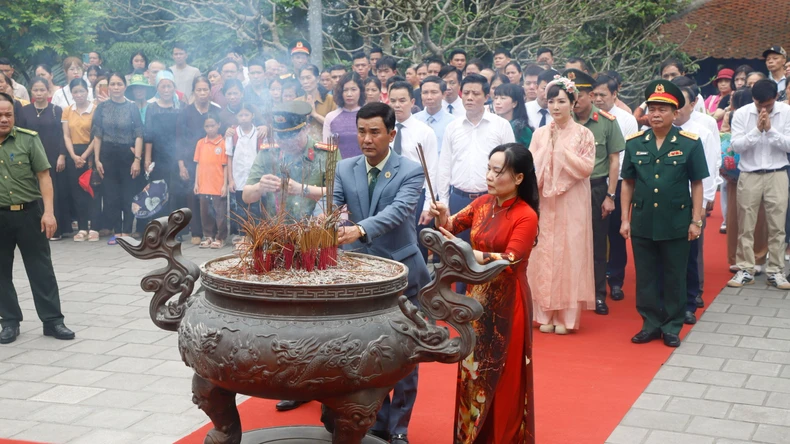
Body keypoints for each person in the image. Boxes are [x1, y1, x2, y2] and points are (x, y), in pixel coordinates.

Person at [327, 102, 428, 444]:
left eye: (374, 132)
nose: (366, 139)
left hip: (401, 273)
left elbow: (399, 212)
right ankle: (369, 416)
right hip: (359, 276)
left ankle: (398, 426)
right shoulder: (345, 168)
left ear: (391, 134)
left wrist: (359, 230)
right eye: (361, 131)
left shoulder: (410, 171)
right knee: (363, 350)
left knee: (403, 352)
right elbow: (333, 204)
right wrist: (337, 222)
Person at [430, 142, 538, 443]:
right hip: (476, 300)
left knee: (503, 374)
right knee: (472, 371)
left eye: (497, 171)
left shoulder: (526, 215)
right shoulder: (482, 204)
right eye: (488, 169)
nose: (490, 176)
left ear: (518, 178)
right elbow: (451, 225)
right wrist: (442, 215)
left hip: (508, 300)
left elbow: (510, 260)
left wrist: (468, 251)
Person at [620, 80, 709, 348]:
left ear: (674, 113)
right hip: (644, 220)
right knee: (646, 275)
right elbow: (628, 182)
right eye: (652, 109)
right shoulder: (635, 143)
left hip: (676, 221)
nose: (656, 114)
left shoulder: (689, 143)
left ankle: (671, 326)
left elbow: (697, 183)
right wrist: (626, 218)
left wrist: (696, 220)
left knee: (674, 275)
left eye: (662, 109)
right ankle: (650, 323)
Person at [0, 92, 75, 344]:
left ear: (14, 115)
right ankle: (9, 321)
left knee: (41, 269)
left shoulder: (28, 140)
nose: (4, 119)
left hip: (29, 214)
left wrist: (49, 212)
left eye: (8, 114)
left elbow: (44, 177)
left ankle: (53, 321)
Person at [527, 76, 595, 334]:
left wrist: (560, 150)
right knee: (544, 252)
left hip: (572, 200)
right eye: (552, 101)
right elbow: (531, 168)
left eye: (562, 101)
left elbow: (586, 168)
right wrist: (548, 149)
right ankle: (545, 314)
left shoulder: (584, 134)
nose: (556, 107)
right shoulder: (540, 133)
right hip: (545, 199)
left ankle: (566, 318)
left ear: (573, 102)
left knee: (569, 252)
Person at [437, 73, 515, 295]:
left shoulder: (501, 126)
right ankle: (462, 304)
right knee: (460, 255)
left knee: (490, 255)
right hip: (460, 198)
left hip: (493, 199)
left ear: (487, 96)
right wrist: (444, 202)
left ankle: (490, 302)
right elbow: (445, 166)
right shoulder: (453, 127)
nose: (469, 98)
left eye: (476, 93)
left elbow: (512, 164)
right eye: (466, 93)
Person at [565, 68, 625, 315]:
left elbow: (613, 161)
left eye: (579, 94)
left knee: (598, 244)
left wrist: (611, 196)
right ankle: (570, 294)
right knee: (568, 243)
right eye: (571, 94)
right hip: (568, 190)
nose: (575, 99)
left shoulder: (606, 122)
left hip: (596, 188)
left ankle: (598, 294)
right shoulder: (562, 122)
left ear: (590, 95)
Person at [728, 79, 790, 289]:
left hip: (777, 172)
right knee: (746, 224)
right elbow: (736, 146)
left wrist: (771, 131)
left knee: (777, 224)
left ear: (776, 98)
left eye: (768, 105)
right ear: (752, 98)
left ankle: (776, 270)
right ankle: (746, 268)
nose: (763, 109)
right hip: (749, 173)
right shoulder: (742, 113)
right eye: (759, 104)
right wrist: (756, 131)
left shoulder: (786, 112)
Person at [672, 83, 722, 324]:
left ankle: (691, 300)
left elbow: (710, 170)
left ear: (692, 105)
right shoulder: (659, 130)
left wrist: (703, 205)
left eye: (681, 102)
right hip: (666, 202)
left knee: (690, 254)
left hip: (692, 201)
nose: (676, 108)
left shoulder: (701, 133)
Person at [592, 73, 639, 301]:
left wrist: (618, 188)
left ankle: (616, 279)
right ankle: (595, 278)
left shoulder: (626, 119)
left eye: (603, 94)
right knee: (595, 233)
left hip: (619, 183)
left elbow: (625, 157)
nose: (598, 99)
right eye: (595, 95)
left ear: (614, 94)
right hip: (594, 183)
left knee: (616, 232)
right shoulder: (587, 117)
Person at [389, 81, 439, 261]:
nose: (397, 105)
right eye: (393, 100)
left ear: (412, 102)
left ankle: (418, 288)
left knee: (416, 246)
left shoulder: (425, 132)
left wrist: (428, 206)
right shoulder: (384, 130)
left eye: (402, 100)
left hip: (415, 196)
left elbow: (431, 170)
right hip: (387, 194)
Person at [92, 72, 145, 245]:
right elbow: (97, 135)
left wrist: (137, 159)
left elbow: (138, 135)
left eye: (119, 84)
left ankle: (127, 230)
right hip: (107, 154)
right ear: (108, 86)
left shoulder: (131, 107)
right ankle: (117, 230)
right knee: (111, 195)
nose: (115, 87)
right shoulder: (101, 108)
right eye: (112, 84)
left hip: (126, 154)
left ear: (124, 86)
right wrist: (97, 159)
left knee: (128, 193)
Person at [721, 88, 768, 273]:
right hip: (748, 171)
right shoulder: (739, 116)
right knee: (756, 216)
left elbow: (725, 137)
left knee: (737, 215)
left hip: (737, 171)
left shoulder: (734, 115)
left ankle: (737, 257)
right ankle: (756, 256)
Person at [19, 77, 70, 241]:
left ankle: (56, 230)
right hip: (30, 156)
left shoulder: (56, 110)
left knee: (52, 192)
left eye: (42, 90)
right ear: (30, 91)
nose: (39, 93)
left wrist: (62, 155)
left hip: (52, 157)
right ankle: (36, 229)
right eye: (35, 90)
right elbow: (20, 134)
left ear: (48, 91)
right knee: (33, 193)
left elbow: (64, 134)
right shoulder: (24, 111)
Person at [176, 76, 219, 244]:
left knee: (212, 196)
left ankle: (212, 231)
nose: (202, 93)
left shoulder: (215, 110)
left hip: (213, 161)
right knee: (192, 195)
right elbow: (179, 140)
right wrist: (181, 165)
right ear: (193, 91)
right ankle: (196, 231)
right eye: (199, 90)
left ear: (210, 91)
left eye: (205, 89)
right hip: (190, 160)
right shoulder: (185, 112)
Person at [61, 78, 100, 242]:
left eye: (81, 91)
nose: (79, 95)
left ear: (87, 92)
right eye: (75, 92)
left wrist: (84, 156)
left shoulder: (95, 109)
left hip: (91, 152)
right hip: (73, 154)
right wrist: (73, 156)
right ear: (72, 94)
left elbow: (97, 135)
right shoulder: (68, 110)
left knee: (93, 191)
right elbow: (66, 135)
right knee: (77, 192)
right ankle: (83, 227)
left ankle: (95, 227)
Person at [143, 70, 183, 223]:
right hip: (158, 156)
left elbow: (183, 134)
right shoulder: (152, 108)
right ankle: (160, 224)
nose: (166, 90)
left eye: (169, 86)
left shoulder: (180, 106)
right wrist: (147, 159)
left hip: (177, 154)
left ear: (174, 87)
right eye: (163, 86)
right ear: (157, 88)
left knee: (176, 190)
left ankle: (176, 227)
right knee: (159, 190)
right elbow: (148, 135)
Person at [192, 113, 228, 249]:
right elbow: (198, 164)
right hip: (203, 184)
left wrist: (225, 184)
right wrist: (196, 183)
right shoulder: (200, 143)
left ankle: (220, 237)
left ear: (218, 125)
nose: (210, 128)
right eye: (207, 126)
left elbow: (225, 166)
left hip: (218, 184)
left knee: (220, 212)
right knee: (205, 212)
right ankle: (208, 236)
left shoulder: (223, 143)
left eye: (213, 125)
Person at [323, 73, 365, 159]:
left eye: (353, 89)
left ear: (360, 91)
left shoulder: (368, 115)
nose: (349, 94)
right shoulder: (331, 117)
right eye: (345, 90)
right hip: (338, 168)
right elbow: (327, 148)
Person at [414, 76, 457, 155]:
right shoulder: (414, 120)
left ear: (444, 95)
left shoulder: (453, 123)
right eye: (425, 93)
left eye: (434, 92)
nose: (429, 97)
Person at [297, 64, 337, 141]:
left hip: (325, 147)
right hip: (303, 148)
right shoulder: (297, 103)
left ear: (318, 79)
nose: (305, 82)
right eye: (302, 79)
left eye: (308, 78)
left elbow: (335, 126)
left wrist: (315, 114)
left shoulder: (331, 100)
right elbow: (293, 129)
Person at [494, 83, 532, 147]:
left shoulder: (522, 130)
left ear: (514, 103)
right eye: (496, 98)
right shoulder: (491, 124)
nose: (497, 102)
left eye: (503, 98)